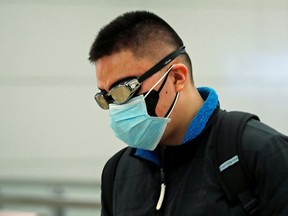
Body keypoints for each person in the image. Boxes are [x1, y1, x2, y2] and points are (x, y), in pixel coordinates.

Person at [88, 10, 288, 216]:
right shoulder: (117, 173)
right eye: (106, 97)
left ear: (176, 78)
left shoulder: (259, 152)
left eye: (125, 90)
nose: (117, 107)